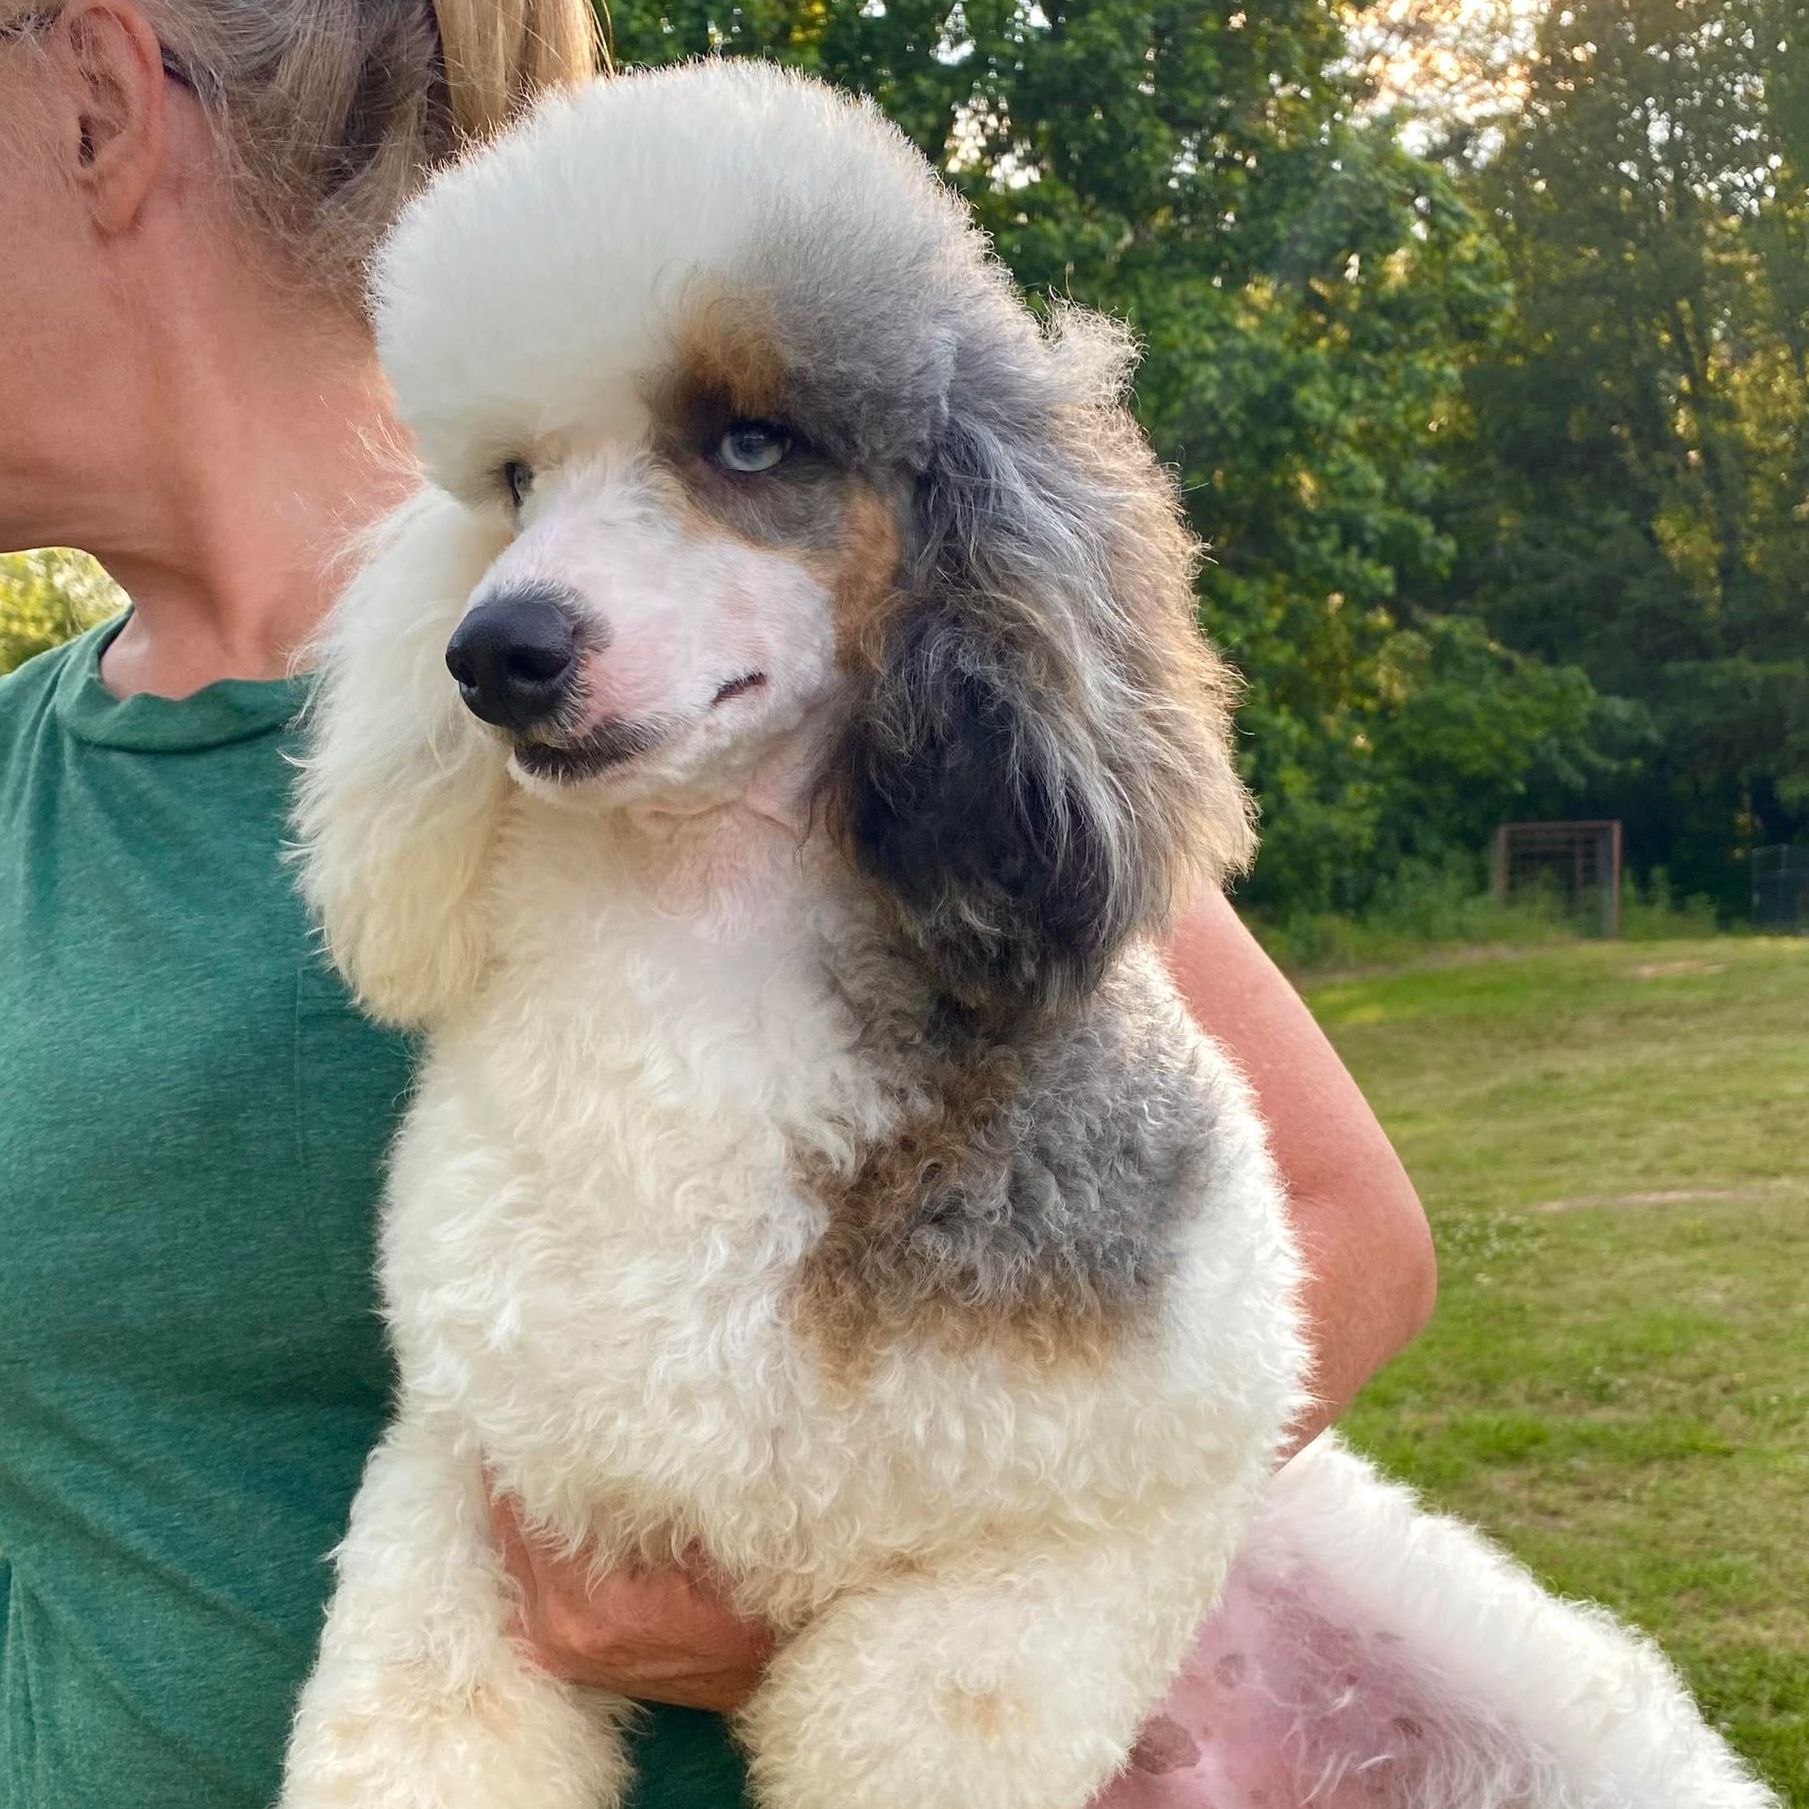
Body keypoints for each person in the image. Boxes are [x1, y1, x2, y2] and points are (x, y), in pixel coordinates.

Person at [0, 3, 1437, 1804]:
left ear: (98, 105)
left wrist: (839, 1603)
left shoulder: (823, 687)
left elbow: (1336, 1235)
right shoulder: (35, 775)